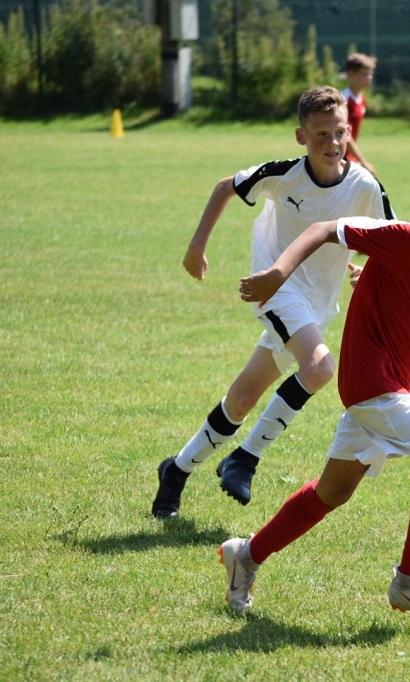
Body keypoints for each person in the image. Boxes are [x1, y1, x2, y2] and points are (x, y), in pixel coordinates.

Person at [219, 149, 410, 622]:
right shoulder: (403, 238)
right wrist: (279, 274)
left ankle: (247, 554)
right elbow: (324, 229)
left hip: (390, 387)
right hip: (376, 385)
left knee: (332, 492)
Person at [150, 85, 395, 518]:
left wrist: (368, 270)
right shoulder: (284, 175)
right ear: (301, 137)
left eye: (340, 133)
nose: (333, 143)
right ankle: (245, 459)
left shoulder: (365, 185)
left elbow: (391, 242)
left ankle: (176, 470)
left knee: (242, 399)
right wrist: (196, 246)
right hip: (273, 287)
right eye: (321, 134)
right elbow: (226, 186)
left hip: (317, 304)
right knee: (319, 368)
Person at [342, 52, 377, 178]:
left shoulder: (361, 99)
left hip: (349, 156)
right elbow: (345, 134)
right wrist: (363, 162)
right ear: (350, 74)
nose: (369, 78)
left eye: (370, 74)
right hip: (339, 157)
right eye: (364, 74)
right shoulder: (344, 100)